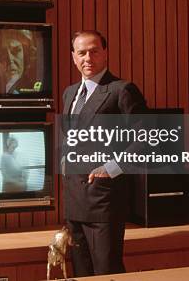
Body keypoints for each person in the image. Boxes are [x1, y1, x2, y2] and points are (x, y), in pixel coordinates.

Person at [62, 30, 147, 276]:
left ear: (105, 53)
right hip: (74, 203)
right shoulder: (69, 93)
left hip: (104, 203)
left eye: (94, 51)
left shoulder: (122, 90)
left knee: (106, 272)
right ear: (73, 57)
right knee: (81, 272)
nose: (88, 57)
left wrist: (112, 168)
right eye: (81, 53)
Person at [0, 29, 36, 94]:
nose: (10, 60)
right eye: (3, 53)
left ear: (27, 57)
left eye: (16, 51)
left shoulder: (33, 92)